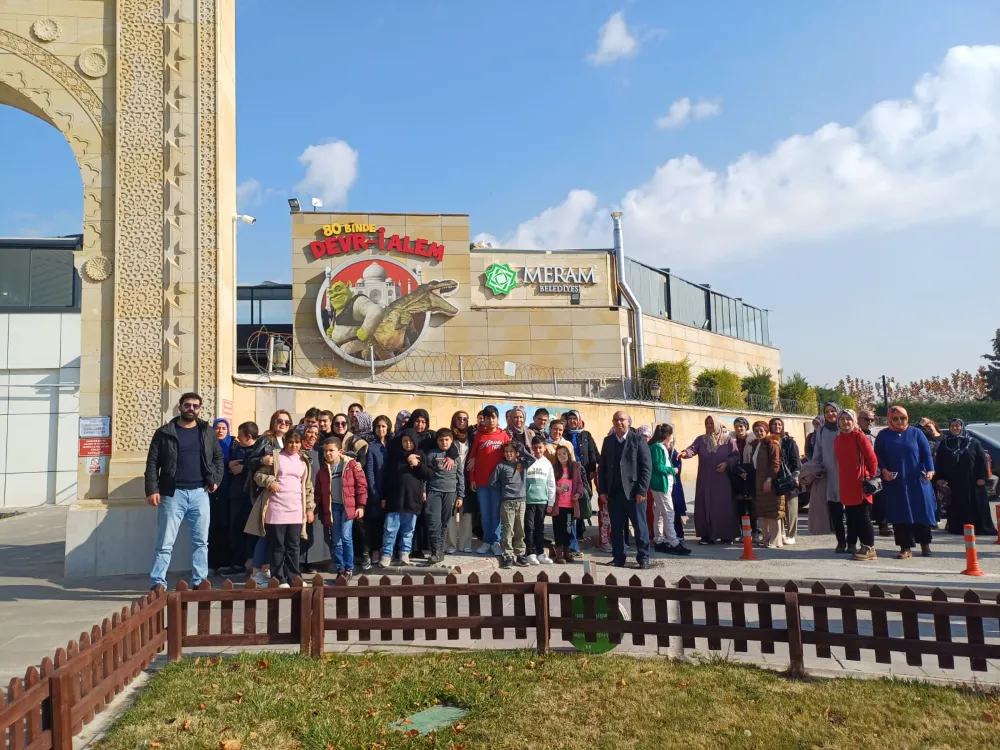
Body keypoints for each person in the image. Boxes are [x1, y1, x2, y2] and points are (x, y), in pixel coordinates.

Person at [145, 392, 224, 590]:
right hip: (173, 494)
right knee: (165, 542)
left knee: (201, 542)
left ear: (200, 409)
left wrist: (215, 479)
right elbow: (152, 463)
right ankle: (158, 582)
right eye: (187, 405)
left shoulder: (207, 432)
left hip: (200, 493)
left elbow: (218, 458)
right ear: (180, 407)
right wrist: (152, 489)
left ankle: (199, 581)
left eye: (195, 406)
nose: (191, 409)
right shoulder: (164, 433)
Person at [251, 429, 315, 587]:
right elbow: (258, 475)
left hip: (296, 509)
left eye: (297, 442)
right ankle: (279, 578)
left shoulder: (303, 460)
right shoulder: (275, 457)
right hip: (276, 508)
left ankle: (294, 577)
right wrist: (270, 482)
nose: (294, 445)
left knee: (294, 546)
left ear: (301, 443)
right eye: (290, 442)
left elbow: (308, 486)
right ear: (285, 442)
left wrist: (309, 508)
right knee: (278, 546)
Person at [875, 406, 938, 559]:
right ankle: (905, 547)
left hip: (917, 480)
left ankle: (925, 544)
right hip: (896, 481)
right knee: (900, 514)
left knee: (921, 511)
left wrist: (930, 470)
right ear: (890, 419)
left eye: (902, 418)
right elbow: (878, 456)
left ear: (907, 418)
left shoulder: (916, 433)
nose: (899, 421)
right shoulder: (883, 435)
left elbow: (926, 454)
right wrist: (884, 470)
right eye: (895, 418)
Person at [244, 410, 293, 585]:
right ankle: (256, 572)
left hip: (284, 494)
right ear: (273, 422)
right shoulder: (266, 440)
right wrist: (262, 461)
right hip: (267, 492)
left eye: (287, 422)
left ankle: (266, 569)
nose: (283, 424)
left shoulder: (288, 441)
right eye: (280, 420)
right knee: (265, 533)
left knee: (276, 535)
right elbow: (249, 461)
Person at [598, 411, 653, 569]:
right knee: (617, 528)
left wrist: (642, 490)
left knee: (639, 526)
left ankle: (643, 558)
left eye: (622, 420)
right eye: (615, 420)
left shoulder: (637, 440)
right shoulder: (608, 441)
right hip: (614, 493)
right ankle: (618, 557)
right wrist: (602, 491)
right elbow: (602, 468)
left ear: (628, 422)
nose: (619, 422)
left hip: (634, 492)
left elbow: (646, 467)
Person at [679, 415, 740, 545]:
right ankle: (706, 536)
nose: (709, 426)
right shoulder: (701, 440)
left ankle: (726, 536)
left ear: (717, 424)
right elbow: (692, 449)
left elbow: (735, 456)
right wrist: (685, 453)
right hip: (705, 479)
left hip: (722, 480)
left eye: (711, 423)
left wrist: (727, 464)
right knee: (704, 505)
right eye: (707, 423)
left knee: (723, 506)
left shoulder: (728, 440)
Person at [314, 437, 367, 579]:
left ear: (340, 451)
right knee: (336, 539)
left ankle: (349, 568)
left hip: (348, 506)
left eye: (331, 450)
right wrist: (313, 510)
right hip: (333, 507)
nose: (328, 453)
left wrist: (361, 505)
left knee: (346, 536)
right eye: (325, 451)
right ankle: (340, 568)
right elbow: (318, 493)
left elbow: (361, 486)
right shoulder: (323, 471)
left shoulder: (351, 465)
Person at [936, 418, 996, 536]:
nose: (955, 428)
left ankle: (978, 527)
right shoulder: (945, 443)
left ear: (962, 427)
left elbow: (981, 460)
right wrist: (940, 477)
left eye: (957, 426)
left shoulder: (973, 442)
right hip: (954, 480)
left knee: (975, 502)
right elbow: (940, 462)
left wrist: (982, 477)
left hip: (972, 479)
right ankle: (957, 527)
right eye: (952, 426)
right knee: (957, 503)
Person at [833, 409, 879, 561]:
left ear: (854, 421)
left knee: (863, 517)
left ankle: (869, 548)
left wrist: (871, 476)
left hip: (860, 483)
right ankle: (856, 545)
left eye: (849, 419)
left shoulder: (859, 436)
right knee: (852, 516)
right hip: (846, 483)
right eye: (842, 419)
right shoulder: (837, 439)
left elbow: (872, 458)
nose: (845, 422)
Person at [380, 428, 427, 567]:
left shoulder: (420, 455)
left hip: (412, 499)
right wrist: (384, 496)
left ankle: (405, 553)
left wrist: (417, 465)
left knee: (408, 530)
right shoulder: (395, 456)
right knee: (390, 529)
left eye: (410, 441)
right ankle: (387, 554)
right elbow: (387, 478)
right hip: (394, 500)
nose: (408, 444)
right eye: (405, 441)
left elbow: (428, 474)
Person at [468, 405, 510, 555]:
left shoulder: (504, 436)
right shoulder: (479, 436)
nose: (491, 420)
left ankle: (496, 541)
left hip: (498, 483)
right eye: (487, 418)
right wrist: (472, 478)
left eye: (493, 417)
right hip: (482, 482)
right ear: (483, 420)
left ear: (498, 419)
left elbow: (510, 457)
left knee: (496, 513)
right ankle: (487, 541)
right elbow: (472, 458)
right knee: (485, 514)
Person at [804, 402, 846, 549]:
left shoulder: (846, 428)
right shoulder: (822, 431)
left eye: (833, 411)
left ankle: (853, 542)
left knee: (853, 512)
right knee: (835, 511)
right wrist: (815, 469)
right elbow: (817, 454)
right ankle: (841, 542)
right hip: (830, 477)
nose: (830, 414)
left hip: (848, 476)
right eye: (827, 411)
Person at [424, 427, 465, 564]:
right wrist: (423, 491)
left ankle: (440, 551)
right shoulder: (432, 454)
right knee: (434, 522)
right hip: (434, 491)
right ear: (437, 441)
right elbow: (425, 475)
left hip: (450, 493)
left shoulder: (456, 457)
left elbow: (460, 476)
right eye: (441, 440)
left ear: (451, 440)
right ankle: (434, 551)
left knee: (444, 522)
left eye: (447, 440)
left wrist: (460, 496)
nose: (444, 442)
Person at [649, 424, 688, 555]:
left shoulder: (660, 447)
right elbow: (659, 467)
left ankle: (659, 540)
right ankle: (673, 542)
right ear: (667, 436)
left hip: (663, 485)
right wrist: (673, 470)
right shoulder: (657, 447)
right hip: (661, 485)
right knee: (668, 512)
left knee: (660, 513)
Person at [565, 410, 600, 555]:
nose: (572, 421)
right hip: (568, 473)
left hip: (584, 473)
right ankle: (572, 532)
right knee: (571, 502)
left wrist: (592, 469)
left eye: (575, 418)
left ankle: (580, 529)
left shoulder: (586, 435)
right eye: (570, 418)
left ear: (579, 420)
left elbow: (593, 453)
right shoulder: (564, 434)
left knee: (584, 499)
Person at [489, 442, 529, 568]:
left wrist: (521, 449)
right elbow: (492, 482)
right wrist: (504, 488)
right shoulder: (501, 465)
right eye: (506, 451)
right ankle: (508, 555)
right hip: (507, 502)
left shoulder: (522, 464)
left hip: (521, 501)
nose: (508, 453)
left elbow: (532, 459)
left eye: (511, 451)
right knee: (508, 529)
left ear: (517, 453)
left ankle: (520, 554)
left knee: (520, 528)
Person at [227, 421, 259, 573]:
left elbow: (260, 468)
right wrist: (230, 465)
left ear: (248, 437)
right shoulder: (235, 448)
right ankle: (238, 563)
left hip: (252, 497)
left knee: (252, 532)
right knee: (236, 530)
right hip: (236, 496)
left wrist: (244, 468)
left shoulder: (258, 451)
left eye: (240, 435)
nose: (238, 438)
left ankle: (252, 562)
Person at [346, 411, 376, 570]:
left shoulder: (371, 439)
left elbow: (364, 462)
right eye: (354, 421)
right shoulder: (350, 438)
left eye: (358, 421)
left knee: (363, 522)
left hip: (366, 485)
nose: (355, 423)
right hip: (351, 484)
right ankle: (358, 553)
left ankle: (366, 552)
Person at [208, 417, 236, 574]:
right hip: (212, 491)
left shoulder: (232, 445)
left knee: (228, 527)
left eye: (223, 428)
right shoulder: (208, 444)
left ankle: (227, 563)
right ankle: (212, 564)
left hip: (229, 491)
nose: (220, 431)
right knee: (212, 527)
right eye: (217, 428)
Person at [750, 421, 784, 548]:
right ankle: (765, 539)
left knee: (773, 512)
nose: (759, 433)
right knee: (762, 513)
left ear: (766, 431)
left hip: (770, 482)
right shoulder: (756, 444)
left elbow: (775, 464)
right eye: (756, 430)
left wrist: (769, 479)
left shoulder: (772, 443)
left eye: (761, 430)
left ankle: (775, 540)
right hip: (759, 483)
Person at [858, 409, 892, 537]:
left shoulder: (877, 433)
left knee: (881, 499)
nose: (870, 422)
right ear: (858, 419)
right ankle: (864, 527)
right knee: (864, 502)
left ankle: (883, 525)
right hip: (861, 472)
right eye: (866, 419)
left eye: (872, 419)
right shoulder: (854, 433)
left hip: (877, 471)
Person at [445, 411, 475, 554]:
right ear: (454, 420)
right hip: (451, 478)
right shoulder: (448, 435)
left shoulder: (472, 436)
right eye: (459, 418)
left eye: (465, 419)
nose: (462, 421)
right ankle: (450, 545)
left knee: (466, 515)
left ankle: (465, 544)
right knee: (451, 514)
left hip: (468, 479)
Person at [769, 417, 802, 544]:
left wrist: (795, 477)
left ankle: (791, 535)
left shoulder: (789, 442)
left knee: (791, 508)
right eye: (774, 424)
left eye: (779, 424)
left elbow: (796, 461)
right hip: (776, 479)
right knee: (779, 508)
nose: (777, 426)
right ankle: (781, 533)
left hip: (789, 478)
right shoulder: (768, 441)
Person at [364, 415, 392, 567]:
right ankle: (375, 550)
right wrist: (375, 493)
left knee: (390, 523)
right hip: (377, 489)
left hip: (391, 489)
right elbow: (370, 471)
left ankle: (387, 551)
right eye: (378, 426)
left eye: (383, 426)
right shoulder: (372, 446)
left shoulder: (392, 444)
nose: (381, 429)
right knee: (376, 522)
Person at [525, 436, 556, 565]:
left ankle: (541, 553)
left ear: (544, 448)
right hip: (528, 501)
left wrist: (551, 502)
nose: (537, 450)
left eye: (540, 448)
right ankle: (530, 553)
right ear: (532, 448)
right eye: (535, 447)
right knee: (529, 527)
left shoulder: (547, 463)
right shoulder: (528, 461)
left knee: (540, 528)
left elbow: (551, 483)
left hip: (542, 501)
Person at [551, 444, 584, 564]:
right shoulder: (554, 468)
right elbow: (549, 483)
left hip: (570, 505)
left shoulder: (574, 467)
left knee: (568, 530)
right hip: (558, 505)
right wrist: (556, 488)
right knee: (558, 529)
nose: (562, 456)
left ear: (568, 454)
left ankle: (567, 551)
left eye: (564, 453)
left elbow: (580, 483)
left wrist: (578, 494)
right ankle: (558, 554)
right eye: (559, 454)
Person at [728, 417, 757, 543]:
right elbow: (729, 458)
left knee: (752, 506)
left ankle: (755, 532)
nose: (739, 429)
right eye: (736, 426)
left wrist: (748, 473)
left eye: (741, 426)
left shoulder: (753, 440)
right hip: (736, 476)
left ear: (746, 427)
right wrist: (738, 471)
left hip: (751, 475)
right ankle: (744, 532)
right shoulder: (730, 441)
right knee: (740, 506)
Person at [299, 424, 323, 572]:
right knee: (301, 527)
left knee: (313, 528)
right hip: (301, 493)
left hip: (317, 494)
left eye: (315, 433)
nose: (312, 435)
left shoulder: (319, 451)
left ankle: (311, 562)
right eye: (309, 432)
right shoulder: (298, 450)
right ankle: (299, 561)